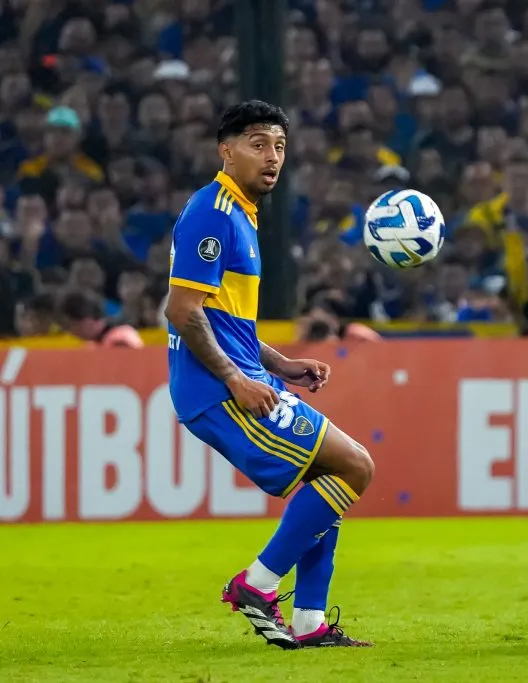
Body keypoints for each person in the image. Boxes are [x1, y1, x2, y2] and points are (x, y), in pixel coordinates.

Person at [163, 101, 374, 650]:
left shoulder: (241, 213)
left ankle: (308, 623)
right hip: (217, 389)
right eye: (258, 143)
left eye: (279, 145)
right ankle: (255, 584)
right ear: (225, 151)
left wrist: (279, 364)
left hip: (243, 375)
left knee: (330, 480)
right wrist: (237, 379)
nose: (272, 156)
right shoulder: (213, 212)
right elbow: (182, 310)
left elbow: (223, 317)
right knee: (354, 466)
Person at [57, 290, 145, 348]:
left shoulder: (121, 338)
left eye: (72, 325)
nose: (72, 332)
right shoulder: (91, 346)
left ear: (87, 320)